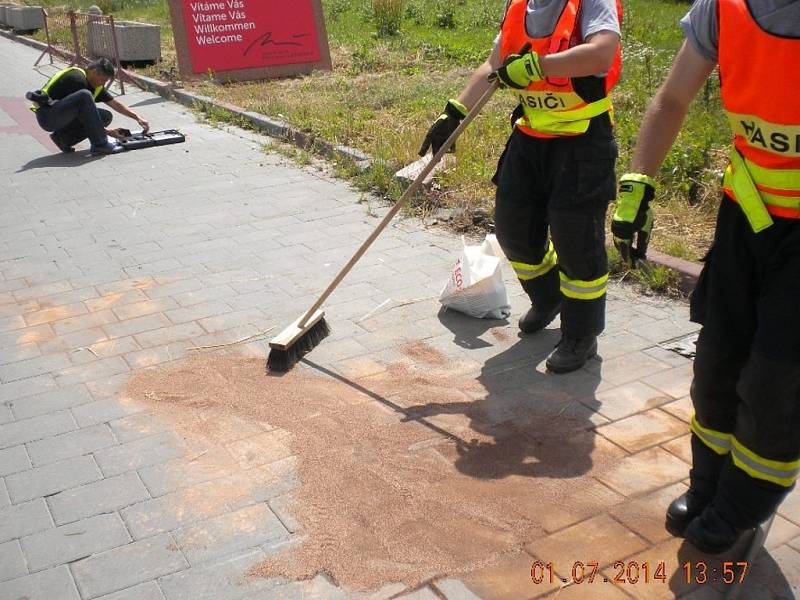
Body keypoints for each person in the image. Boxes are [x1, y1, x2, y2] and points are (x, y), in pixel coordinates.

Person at [611, 0, 800, 553]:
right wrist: (637, 183)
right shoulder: (726, 8)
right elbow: (672, 98)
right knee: (718, 359)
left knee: (776, 380)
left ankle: (744, 503)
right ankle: (708, 484)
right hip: (748, 217)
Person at [420, 0, 622, 373]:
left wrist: (536, 66)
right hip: (530, 136)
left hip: (582, 140)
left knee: (576, 241)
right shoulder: (520, 7)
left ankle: (581, 334)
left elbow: (601, 54)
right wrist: (455, 112)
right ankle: (548, 298)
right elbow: (495, 64)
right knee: (513, 229)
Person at [30, 58, 150, 155]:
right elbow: (86, 117)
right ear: (94, 72)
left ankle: (63, 139)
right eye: (103, 80)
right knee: (85, 96)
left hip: (62, 116)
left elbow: (115, 104)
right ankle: (99, 145)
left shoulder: (94, 83)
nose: (104, 84)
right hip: (48, 117)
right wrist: (108, 132)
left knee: (105, 116)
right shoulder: (76, 79)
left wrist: (138, 118)